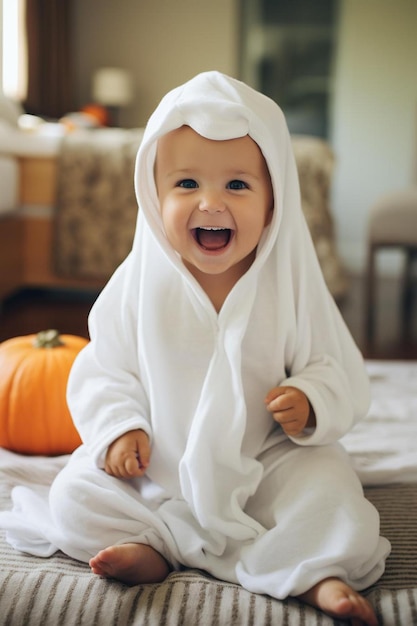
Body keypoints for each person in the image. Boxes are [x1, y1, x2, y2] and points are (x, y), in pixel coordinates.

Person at [1, 72, 390, 625]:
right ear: (152, 195)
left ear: (274, 200)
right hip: (159, 468)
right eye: (186, 184)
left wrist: (310, 399)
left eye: (237, 185)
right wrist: (119, 428)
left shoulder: (289, 283)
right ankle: (153, 545)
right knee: (75, 494)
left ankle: (315, 572)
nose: (210, 202)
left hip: (265, 463)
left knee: (331, 486)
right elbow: (105, 368)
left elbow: (336, 367)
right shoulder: (138, 283)